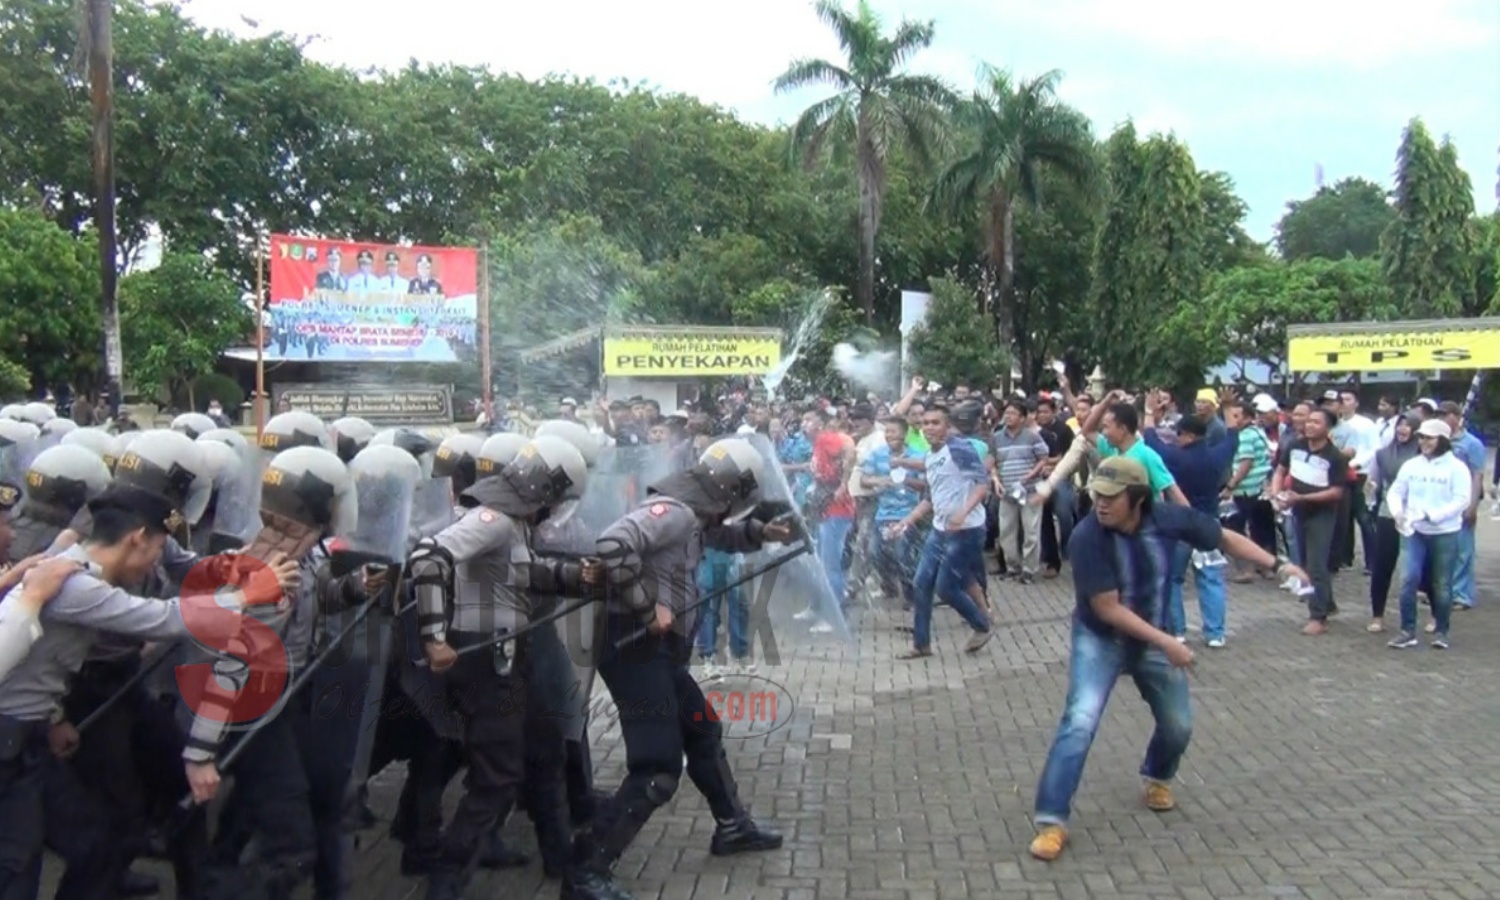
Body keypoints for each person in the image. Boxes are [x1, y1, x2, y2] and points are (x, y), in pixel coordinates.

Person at [0, 485, 297, 899]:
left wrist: (53, 718)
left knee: (96, 846)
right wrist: (247, 596)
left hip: (31, 730)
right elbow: (163, 619)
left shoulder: (72, 570)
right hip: (11, 739)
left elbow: (34, 662)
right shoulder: (76, 583)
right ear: (136, 538)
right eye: (156, 551)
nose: (155, 564)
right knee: (18, 865)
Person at [1028, 456, 1310, 862]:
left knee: (1178, 725)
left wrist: (1280, 564)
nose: (1101, 504)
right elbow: (1108, 609)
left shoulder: (1168, 519)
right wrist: (1169, 642)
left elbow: (1224, 538)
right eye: (1097, 495)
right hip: (1102, 639)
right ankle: (1052, 821)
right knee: (1079, 722)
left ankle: (1158, 775)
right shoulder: (1087, 537)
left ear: (1138, 498)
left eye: (1111, 497)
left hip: (1151, 639)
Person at [570, 438, 793, 900]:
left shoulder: (692, 517)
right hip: (635, 646)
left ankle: (732, 827)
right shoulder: (673, 513)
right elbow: (612, 544)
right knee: (658, 766)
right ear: (729, 490)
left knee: (703, 730)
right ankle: (587, 870)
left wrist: (760, 534)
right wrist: (648, 608)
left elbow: (717, 535)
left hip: (660, 652)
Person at [409, 437, 606, 900]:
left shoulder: (511, 524)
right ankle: (445, 883)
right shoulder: (493, 520)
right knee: (497, 779)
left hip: (510, 656)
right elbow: (427, 558)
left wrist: (577, 577)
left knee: (546, 749)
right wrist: (434, 635)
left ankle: (562, 860)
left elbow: (524, 571)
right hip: (484, 659)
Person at [888, 406, 994, 660]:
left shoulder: (958, 449)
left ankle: (982, 624)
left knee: (946, 587)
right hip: (940, 529)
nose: (929, 427)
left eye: (936, 423)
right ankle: (921, 644)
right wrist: (906, 521)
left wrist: (964, 512)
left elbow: (982, 484)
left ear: (947, 427)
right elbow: (930, 497)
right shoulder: (932, 456)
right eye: (925, 423)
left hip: (967, 530)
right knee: (921, 583)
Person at [1384, 419, 1472, 650]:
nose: (1424, 442)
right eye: (1421, 437)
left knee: (1441, 583)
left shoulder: (1457, 467)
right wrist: (1398, 513)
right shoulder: (1412, 465)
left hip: (1445, 532)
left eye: (1429, 438)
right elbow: (1396, 491)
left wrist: (1431, 515)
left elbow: (1461, 500)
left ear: (1442, 440)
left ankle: (1442, 631)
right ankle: (1407, 630)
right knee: (1408, 579)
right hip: (1414, 531)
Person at [1269, 408, 1346, 634]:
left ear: (1327, 428)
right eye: (1308, 421)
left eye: (1316, 422)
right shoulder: (1294, 446)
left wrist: (1302, 497)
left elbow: (1336, 492)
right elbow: (1280, 471)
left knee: (1316, 564)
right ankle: (1327, 602)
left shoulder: (1334, 456)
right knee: (1304, 559)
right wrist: (1277, 494)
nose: (1310, 425)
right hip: (1297, 510)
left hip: (1322, 512)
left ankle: (1317, 615)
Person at [1366, 413, 1420, 632]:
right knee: (1382, 567)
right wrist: (1370, 498)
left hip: (1418, 517)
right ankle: (1377, 615)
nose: (1403, 429)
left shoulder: (1423, 454)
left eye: (1408, 425)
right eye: (1400, 425)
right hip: (1388, 515)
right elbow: (1372, 484)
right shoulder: (1382, 454)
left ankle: (1432, 616)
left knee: (1418, 569)